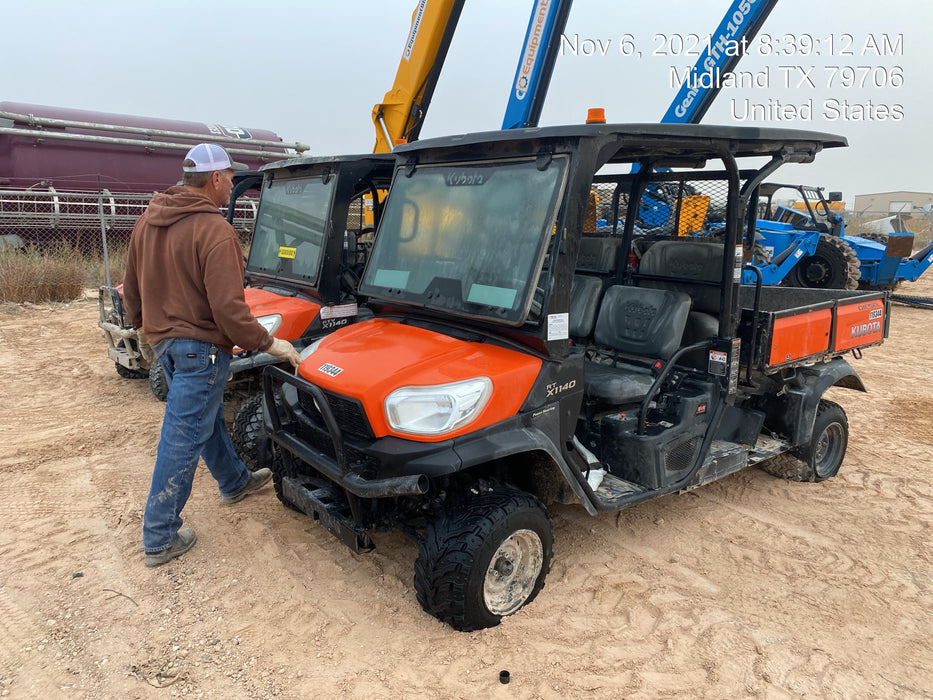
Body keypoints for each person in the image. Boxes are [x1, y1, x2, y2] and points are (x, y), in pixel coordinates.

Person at [123, 143, 301, 567]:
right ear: (216, 179)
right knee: (182, 435)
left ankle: (234, 481)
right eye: (231, 178)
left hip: (165, 345)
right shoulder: (214, 230)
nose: (234, 185)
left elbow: (132, 286)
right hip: (199, 349)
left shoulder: (149, 219)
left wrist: (142, 325)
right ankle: (160, 536)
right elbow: (228, 310)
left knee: (201, 415)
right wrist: (269, 343)